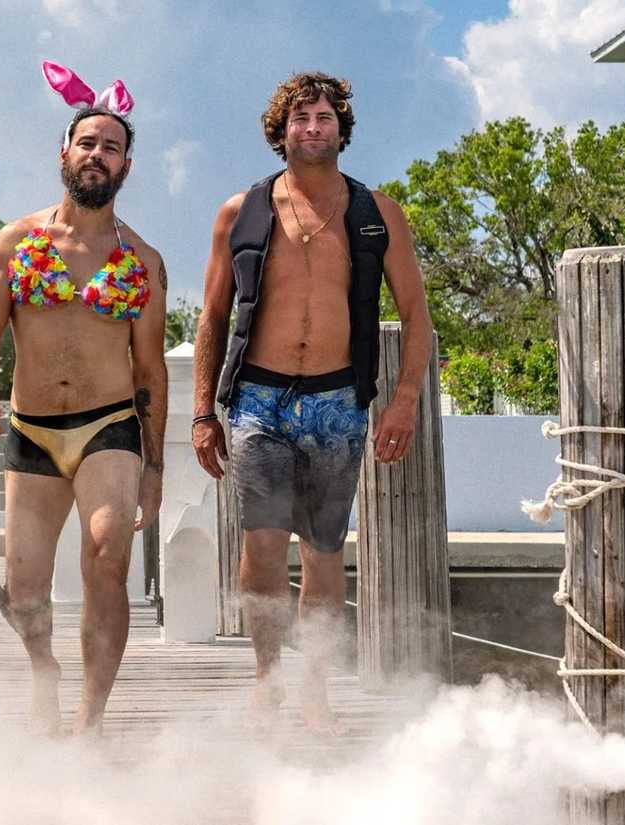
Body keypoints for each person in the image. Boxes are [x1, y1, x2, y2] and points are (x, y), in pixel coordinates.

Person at [190, 72, 433, 734]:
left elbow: (416, 314)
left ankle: (316, 684)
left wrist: (404, 396)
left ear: (341, 128)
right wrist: (203, 413)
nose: (313, 127)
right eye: (300, 118)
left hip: (337, 400)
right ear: (281, 130)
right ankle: (268, 677)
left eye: (324, 117)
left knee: (324, 547)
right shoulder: (240, 210)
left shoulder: (376, 212)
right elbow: (211, 318)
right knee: (263, 543)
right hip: (259, 399)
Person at [0, 61, 166, 736]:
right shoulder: (17, 241)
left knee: (108, 555)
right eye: (88, 143)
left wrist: (155, 470)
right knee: (25, 588)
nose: (97, 155)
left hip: (109, 425)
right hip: (33, 427)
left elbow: (150, 372)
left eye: (111, 147)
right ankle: (43, 670)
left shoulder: (143, 260)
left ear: (127, 166)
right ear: (64, 153)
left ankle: (91, 717)